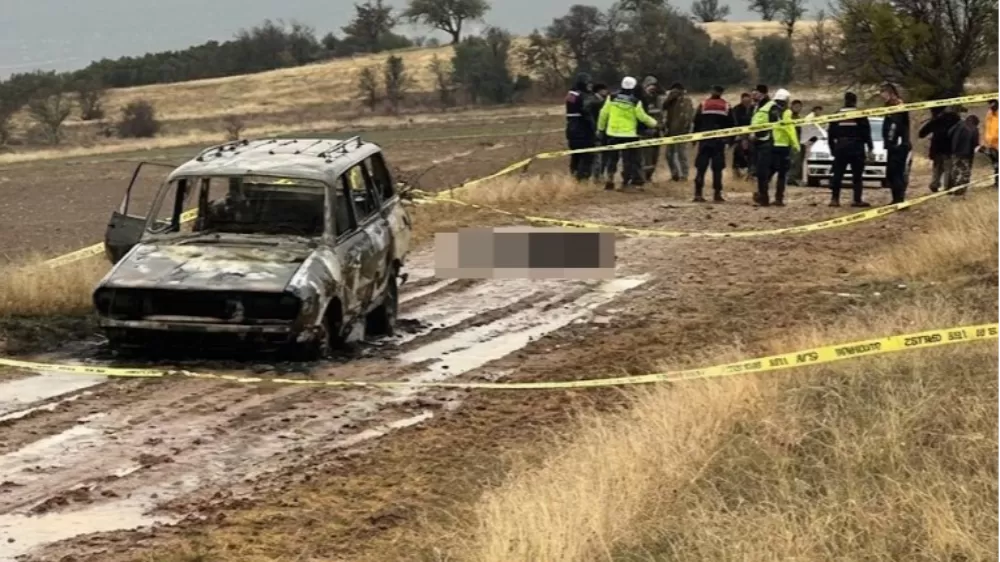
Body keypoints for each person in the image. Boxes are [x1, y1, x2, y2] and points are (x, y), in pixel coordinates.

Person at [597, 76, 659, 191]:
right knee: (628, 160)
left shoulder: (611, 97)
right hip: (629, 134)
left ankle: (609, 180)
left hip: (612, 133)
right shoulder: (635, 102)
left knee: (612, 158)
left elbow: (603, 114)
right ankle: (625, 183)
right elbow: (642, 117)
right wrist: (655, 124)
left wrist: (600, 129)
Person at [752, 88, 798, 207]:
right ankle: (778, 199)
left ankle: (764, 198)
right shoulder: (786, 111)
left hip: (769, 145)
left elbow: (755, 123)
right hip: (782, 147)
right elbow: (790, 129)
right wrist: (795, 145)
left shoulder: (766, 108)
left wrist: (756, 136)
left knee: (765, 173)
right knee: (781, 175)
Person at [826, 92, 874, 207]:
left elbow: (830, 134)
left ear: (845, 100)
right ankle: (857, 200)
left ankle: (835, 199)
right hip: (856, 147)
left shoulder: (837, 114)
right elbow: (866, 132)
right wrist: (870, 147)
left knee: (838, 174)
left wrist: (833, 149)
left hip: (841, 146)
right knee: (857, 175)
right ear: (855, 101)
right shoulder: (860, 114)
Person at [691, 85, 736, 203]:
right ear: (721, 93)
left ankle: (698, 194)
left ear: (712, 92)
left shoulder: (703, 104)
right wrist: (730, 140)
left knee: (701, 168)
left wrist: (694, 138)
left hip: (704, 141)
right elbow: (732, 125)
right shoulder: (726, 106)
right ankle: (717, 195)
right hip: (719, 142)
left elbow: (696, 121)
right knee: (717, 169)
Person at [918, 106, 961, 193]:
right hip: (949, 148)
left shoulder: (936, 120)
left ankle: (934, 184)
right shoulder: (956, 119)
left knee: (937, 167)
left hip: (936, 148)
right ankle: (948, 187)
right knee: (948, 168)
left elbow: (921, 133)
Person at [881, 83, 911, 204]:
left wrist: (891, 141)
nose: (881, 96)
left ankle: (900, 199)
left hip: (897, 145)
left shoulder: (897, 106)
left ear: (889, 93)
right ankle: (896, 199)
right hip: (894, 145)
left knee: (896, 173)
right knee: (892, 173)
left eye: (883, 93)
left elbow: (895, 125)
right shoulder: (890, 105)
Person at [565, 73, 598, 181]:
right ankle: (582, 179)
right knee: (587, 155)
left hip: (571, 129)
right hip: (583, 130)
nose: (590, 85)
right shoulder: (583, 96)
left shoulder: (571, 94)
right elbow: (586, 112)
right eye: (588, 83)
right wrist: (594, 128)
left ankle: (574, 177)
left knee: (576, 155)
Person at [663, 83, 694, 182]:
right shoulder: (670, 101)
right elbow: (664, 108)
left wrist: (687, 128)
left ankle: (684, 175)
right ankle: (674, 174)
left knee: (681, 154)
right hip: (670, 131)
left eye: (675, 91)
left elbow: (688, 116)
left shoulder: (686, 100)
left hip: (682, 131)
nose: (673, 93)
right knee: (669, 154)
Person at [639, 76, 665, 182]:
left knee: (655, 155)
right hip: (645, 132)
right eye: (650, 85)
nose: (652, 88)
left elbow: (662, 114)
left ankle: (649, 175)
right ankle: (643, 176)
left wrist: (661, 126)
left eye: (654, 85)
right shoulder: (641, 99)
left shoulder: (658, 98)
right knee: (646, 155)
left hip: (656, 131)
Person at [949, 114, 980, 195]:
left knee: (955, 171)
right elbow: (975, 143)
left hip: (954, 152)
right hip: (966, 154)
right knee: (965, 173)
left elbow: (949, 134)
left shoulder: (957, 126)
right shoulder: (974, 129)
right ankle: (960, 191)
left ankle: (953, 189)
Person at [590, 83, 611, 182]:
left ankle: (602, 173)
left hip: (606, 131)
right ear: (599, 90)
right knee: (597, 154)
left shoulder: (603, 100)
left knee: (605, 154)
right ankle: (597, 175)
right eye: (605, 90)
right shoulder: (594, 101)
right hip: (597, 130)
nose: (606, 92)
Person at [731, 92, 754, 179]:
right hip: (739, 134)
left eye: (748, 101)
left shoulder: (753, 109)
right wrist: (738, 135)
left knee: (752, 152)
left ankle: (751, 172)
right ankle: (736, 172)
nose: (747, 103)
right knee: (738, 152)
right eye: (745, 101)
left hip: (751, 134)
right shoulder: (736, 109)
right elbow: (734, 122)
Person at [748, 85, 770, 177]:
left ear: (762, 94)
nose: (753, 96)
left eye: (755, 93)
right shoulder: (756, 106)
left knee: (762, 166)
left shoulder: (768, 105)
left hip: (765, 138)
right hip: (755, 138)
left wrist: (757, 134)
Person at [788, 99, 805, 186]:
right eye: (796, 107)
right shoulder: (789, 116)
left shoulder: (798, 117)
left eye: (799, 107)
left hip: (798, 141)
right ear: (792, 106)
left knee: (797, 160)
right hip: (790, 141)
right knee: (792, 160)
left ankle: (793, 178)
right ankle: (790, 178)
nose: (798, 108)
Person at [982, 99, 998, 189]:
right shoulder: (989, 114)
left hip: (997, 143)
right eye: (989, 104)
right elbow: (987, 128)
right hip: (992, 145)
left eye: (992, 103)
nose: (990, 106)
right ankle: (997, 182)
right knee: (996, 164)